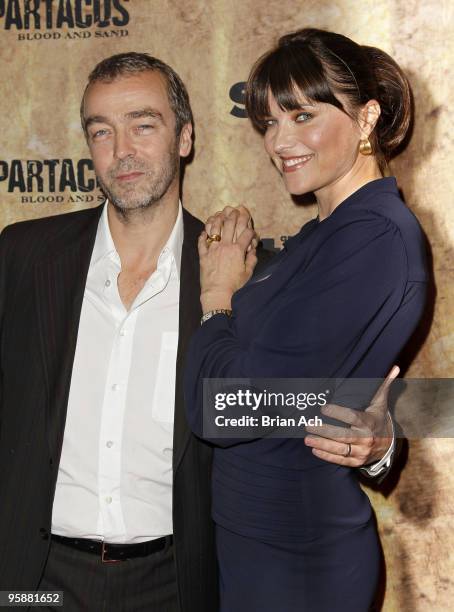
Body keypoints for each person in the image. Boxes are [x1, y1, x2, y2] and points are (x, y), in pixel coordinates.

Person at [0, 51, 394, 611]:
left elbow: (304, 397)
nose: (123, 150)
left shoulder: (244, 281)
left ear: (184, 138)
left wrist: (382, 439)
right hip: (33, 583)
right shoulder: (23, 255)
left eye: (144, 125)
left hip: (179, 584)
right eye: (102, 131)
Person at [184, 28, 428, 611]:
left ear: (366, 119)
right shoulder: (325, 237)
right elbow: (293, 392)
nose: (279, 141)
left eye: (301, 116)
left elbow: (221, 407)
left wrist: (217, 296)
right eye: (269, 122)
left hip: (299, 558)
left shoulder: (374, 237)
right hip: (256, 542)